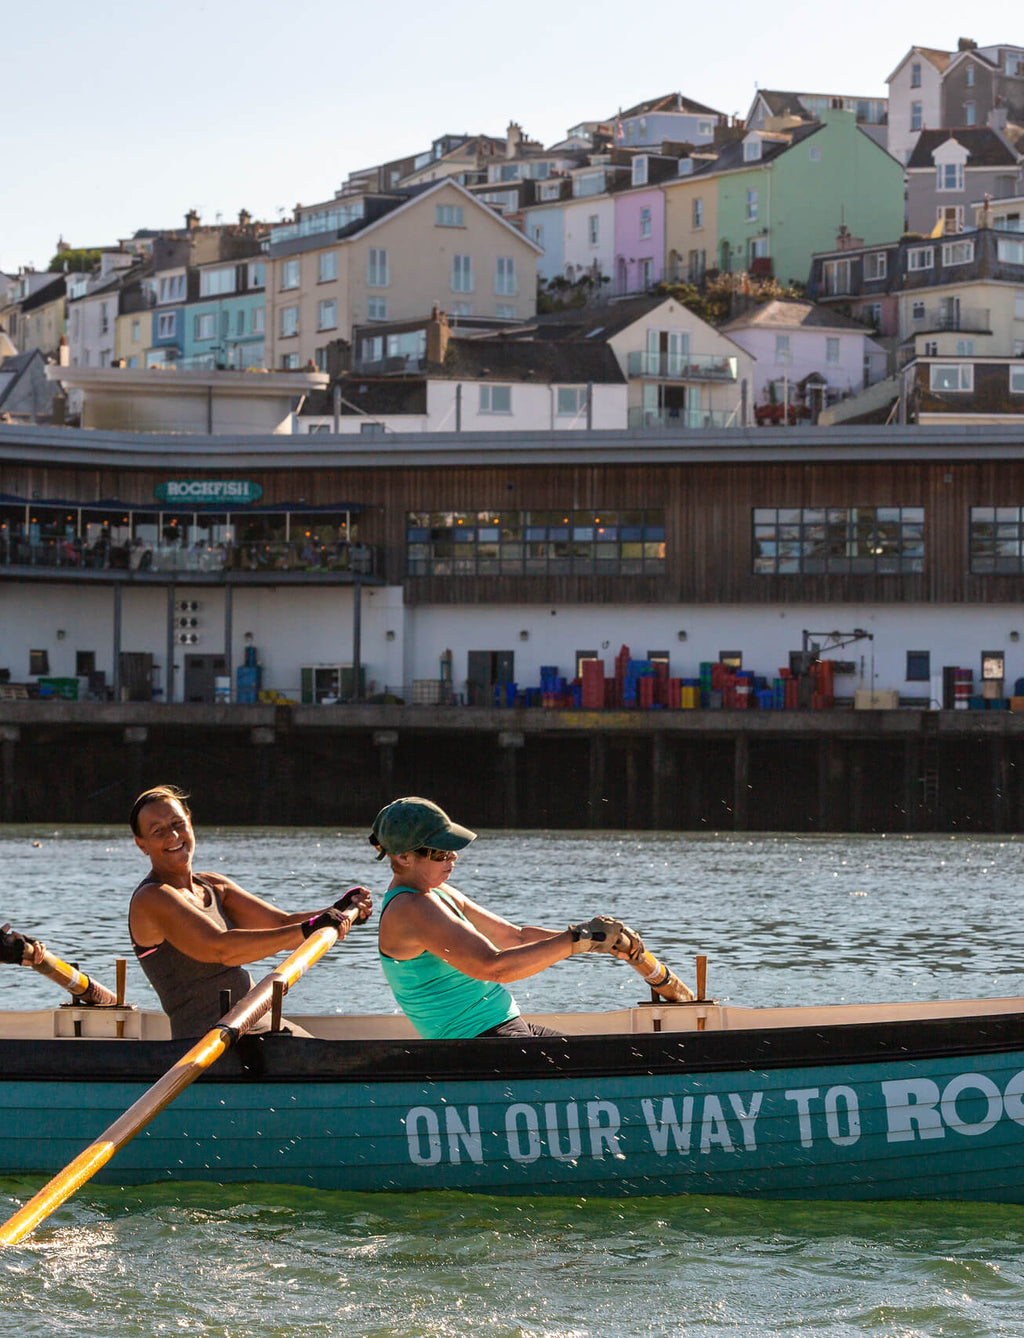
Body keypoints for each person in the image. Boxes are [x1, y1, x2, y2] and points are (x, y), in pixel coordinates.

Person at [373, 796, 633, 1039]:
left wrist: (599, 942)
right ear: (404, 857)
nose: (452, 858)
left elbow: (514, 937)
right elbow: (494, 967)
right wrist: (578, 939)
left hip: (500, 1024)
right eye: (440, 853)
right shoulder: (410, 909)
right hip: (473, 1041)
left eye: (453, 849)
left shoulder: (437, 892)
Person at [128, 784, 372, 1039]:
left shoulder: (213, 885)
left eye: (177, 823)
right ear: (141, 844)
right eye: (158, 831)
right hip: (212, 1041)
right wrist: (311, 927)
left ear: (189, 822)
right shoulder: (152, 898)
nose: (173, 835)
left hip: (255, 1021)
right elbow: (221, 949)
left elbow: (280, 923)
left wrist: (338, 910)